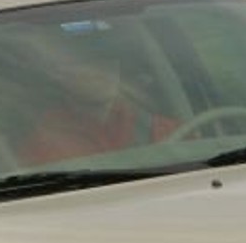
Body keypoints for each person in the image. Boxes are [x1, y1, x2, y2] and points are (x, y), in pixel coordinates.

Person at [19, 22, 178, 165]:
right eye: (86, 62)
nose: (102, 69)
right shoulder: (41, 147)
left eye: (109, 58)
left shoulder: (168, 131)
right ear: (59, 74)